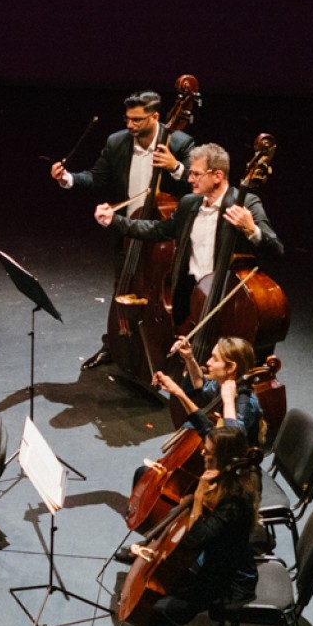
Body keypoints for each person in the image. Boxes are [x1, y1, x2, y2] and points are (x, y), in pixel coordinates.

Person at [52, 90, 195, 368]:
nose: (130, 125)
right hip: (127, 232)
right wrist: (68, 178)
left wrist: (175, 167)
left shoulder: (179, 143)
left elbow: (196, 184)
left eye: (137, 120)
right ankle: (115, 344)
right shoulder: (117, 142)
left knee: (164, 295)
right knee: (124, 286)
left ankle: (168, 349)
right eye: (127, 119)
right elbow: (97, 177)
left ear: (155, 117)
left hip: (164, 236)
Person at [125, 424, 263, 626]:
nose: (202, 453)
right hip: (215, 563)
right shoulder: (229, 479)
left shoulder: (235, 501)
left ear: (224, 458)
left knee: (163, 611)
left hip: (228, 580)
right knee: (162, 592)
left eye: (208, 452)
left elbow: (194, 538)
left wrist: (198, 497)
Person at [98, 142, 284, 333]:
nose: (189, 179)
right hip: (190, 296)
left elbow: (276, 250)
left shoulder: (246, 203)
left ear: (217, 176)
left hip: (226, 299)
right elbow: (157, 230)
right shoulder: (189, 204)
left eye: (196, 174)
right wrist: (115, 220)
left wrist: (252, 229)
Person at [153, 334, 264, 447]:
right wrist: (189, 358)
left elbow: (231, 443)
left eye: (215, 359)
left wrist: (228, 402)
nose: (208, 362)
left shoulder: (245, 402)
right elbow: (201, 387)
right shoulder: (221, 384)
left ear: (231, 367)